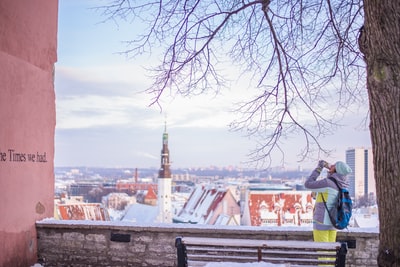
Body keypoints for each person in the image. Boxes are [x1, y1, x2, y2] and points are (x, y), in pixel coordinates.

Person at [304, 160, 352, 243]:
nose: (331, 165)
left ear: (336, 170)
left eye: (334, 165)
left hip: (321, 221)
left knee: (323, 253)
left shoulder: (327, 183)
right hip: (333, 222)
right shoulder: (342, 185)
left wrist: (319, 168)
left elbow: (308, 184)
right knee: (331, 252)